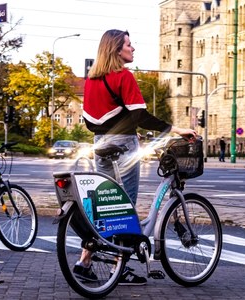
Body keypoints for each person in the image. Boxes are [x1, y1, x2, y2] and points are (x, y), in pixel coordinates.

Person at [80, 29, 197, 285]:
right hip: (123, 145)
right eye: (129, 45)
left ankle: (84, 261)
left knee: (105, 203)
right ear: (116, 50)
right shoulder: (123, 76)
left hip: (100, 144)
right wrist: (176, 129)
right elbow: (142, 116)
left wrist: (123, 131)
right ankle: (118, 270)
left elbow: (92, 121)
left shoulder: (91, 79)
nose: (133, 49)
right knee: (125, 205)